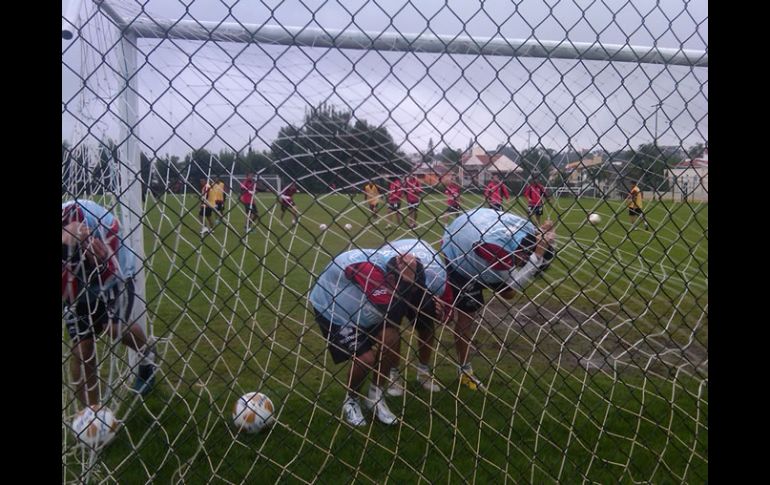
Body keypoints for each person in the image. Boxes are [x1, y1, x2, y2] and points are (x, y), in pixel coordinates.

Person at [309, 248, 432, 426]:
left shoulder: (404, 265)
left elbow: (418, 297)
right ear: (393, 278)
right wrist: (406, 284)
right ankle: (351, 400)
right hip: (335, 310)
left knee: (390, 337)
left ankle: (376, 396)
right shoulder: (368, 270)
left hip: (364, 302)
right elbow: (393, 315)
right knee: (365, 358)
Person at [441, 208, 556, 391]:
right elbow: (513, 286)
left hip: (472, 232)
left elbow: (530, 241)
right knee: (468, 315)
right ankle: (465, 369)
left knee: (506, 291)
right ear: (524, 255)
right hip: (459, 253)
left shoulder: (527, 229)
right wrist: (538, 254)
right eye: (524, 262)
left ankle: (464, 367)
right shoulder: (499, 255)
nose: (522, 266)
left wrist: (543, 231)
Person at [62, 200, 157, 408]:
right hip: (74, 290)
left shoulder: (84, 215)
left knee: (112, 327)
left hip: (115, 275)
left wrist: (99, 256)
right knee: (82, 349)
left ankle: (147, 356)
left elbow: (108, 255)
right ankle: (91, 414)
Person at [372, 239, 453, 396]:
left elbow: (447, 313)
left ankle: (423, 371)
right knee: (391, 327)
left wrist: (442, 308)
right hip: (394, 280)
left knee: (426, 325)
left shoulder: (438, 278)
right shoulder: (385, 272)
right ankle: (393, 374)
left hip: (424, 277)